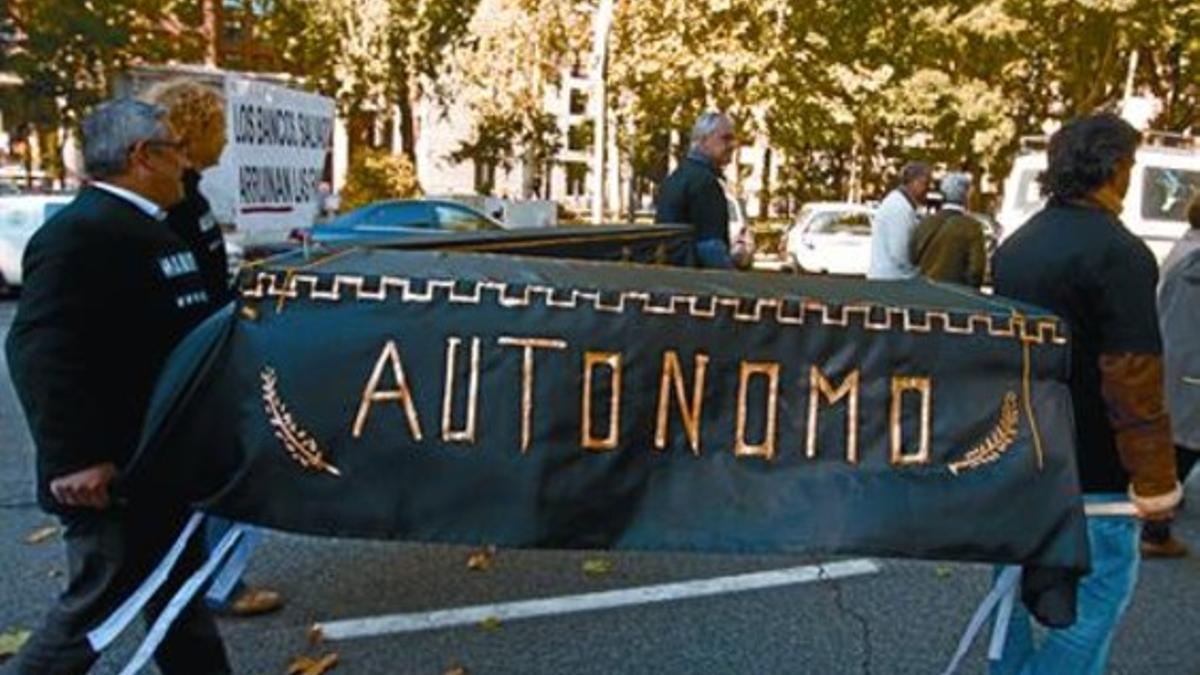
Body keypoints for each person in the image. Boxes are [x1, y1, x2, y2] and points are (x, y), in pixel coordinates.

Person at [5, 98, 230, 673]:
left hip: (159, 466)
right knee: (90, 621)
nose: (186, 164)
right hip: (113, 478)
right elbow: (40, 351)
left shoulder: (145, 229)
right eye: (175, 151)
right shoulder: (81, 235)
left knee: (180, 603)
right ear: (141, 157)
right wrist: (75, 459)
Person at [990, 112, 1181, 675]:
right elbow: (1133, 377)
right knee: (1097, 602)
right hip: (1094, 468)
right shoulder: (1120, 253)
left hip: (1022, 456)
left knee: (1011, 601)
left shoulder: (1019, 245)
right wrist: (1154, 482)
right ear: (1115, 168)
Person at [142, 78, 284, 616]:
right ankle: (219, 582)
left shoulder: (189, 194)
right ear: (194, 129)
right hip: (198, 360)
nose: (227, 139)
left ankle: (210, 580)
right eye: (219, 126)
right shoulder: (173, 202)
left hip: (212, 350)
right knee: (231, 470)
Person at [1141, 194, 1200, 558]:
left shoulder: (1184, 247)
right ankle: (1156, 526)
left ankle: (1157, 518)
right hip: (1193, 363)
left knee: (1178, 441)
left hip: (1177, 356)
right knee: (1182, 446)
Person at [655, 111, 743, 269]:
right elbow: (710, 246)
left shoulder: (678, 176)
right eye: (725, 138)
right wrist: (733, 282)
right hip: (693, 280)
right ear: (703, 140)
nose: (732, 145)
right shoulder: (704, 182)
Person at [909, 172, 986, 287]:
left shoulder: (925, 222)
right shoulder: (972, 227)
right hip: (955, 296)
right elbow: (976, 269)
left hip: (925, 293)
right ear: (966, 196)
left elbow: (912, 257)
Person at [867, 161, 931, 280]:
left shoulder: (898, 203)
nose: (927, 189)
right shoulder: (900, 208)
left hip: (887, 277)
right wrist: (919, 271)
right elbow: (900, 253)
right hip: (891, 280)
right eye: (925, 184)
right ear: (914, 182)